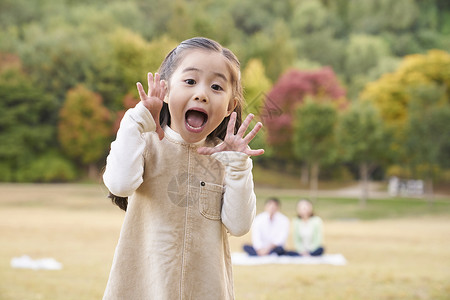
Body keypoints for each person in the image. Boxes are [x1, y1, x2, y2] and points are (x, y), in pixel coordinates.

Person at [102, 37, 264, 300]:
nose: (201, 93)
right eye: (190, 81)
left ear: (230, 107)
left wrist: (238, 168)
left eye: (216, 86)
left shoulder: (227, 160)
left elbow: (239, 225)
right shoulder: (144, 143)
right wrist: (137, 118)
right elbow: (119, 184)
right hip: (142, 288)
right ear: (165, 91)